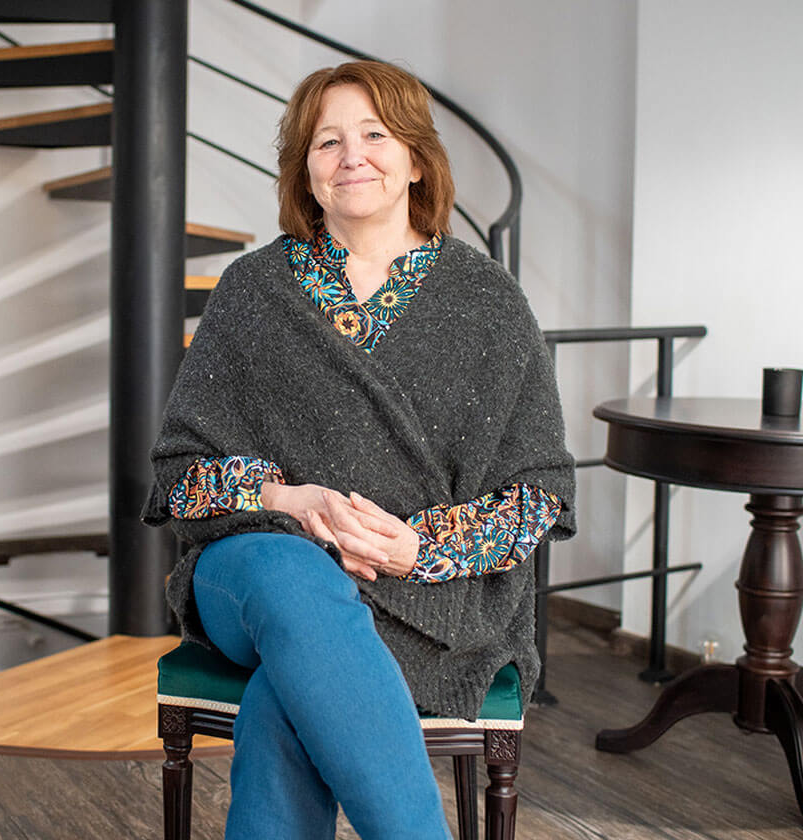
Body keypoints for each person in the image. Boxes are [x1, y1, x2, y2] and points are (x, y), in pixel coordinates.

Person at [143, 60, 575, 840]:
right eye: (326, 141)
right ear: (304, 172)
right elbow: (179, 478)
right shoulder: (252, 289)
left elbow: (536, 496)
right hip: (253, 571)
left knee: (290, 692)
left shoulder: (490, 302)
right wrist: (288, 501)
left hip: (427, 593)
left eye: (376, 135)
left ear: (416, 159)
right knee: (295, 578)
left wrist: (419, 548)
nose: (352, 156)